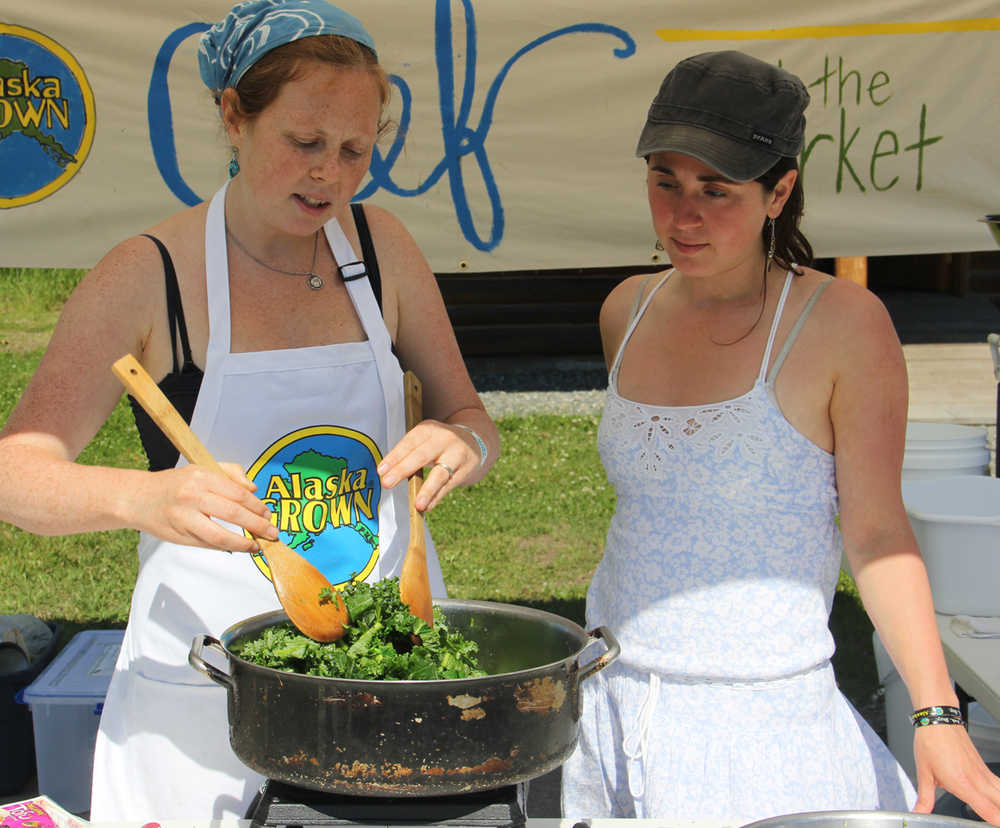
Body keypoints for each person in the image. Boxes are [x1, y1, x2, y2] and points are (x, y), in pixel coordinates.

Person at [0, 0, 498, 819]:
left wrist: (461, 445)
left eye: (355, 151)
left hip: (388, 670)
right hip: (206, 695)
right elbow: (18, 472)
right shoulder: (147, 274)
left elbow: (472, 419)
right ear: (234, 116)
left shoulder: (384, 249)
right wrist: (142, 497)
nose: (330, 175)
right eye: (304, 143)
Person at [561, 50, 1000, 825]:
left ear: (781, 191)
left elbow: (877, 534)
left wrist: (937, 718)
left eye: (716, 190)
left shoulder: (842, 325)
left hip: (763, 724)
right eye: (666, 181)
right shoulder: (626, 309)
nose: (684, 215)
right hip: (611, 704)